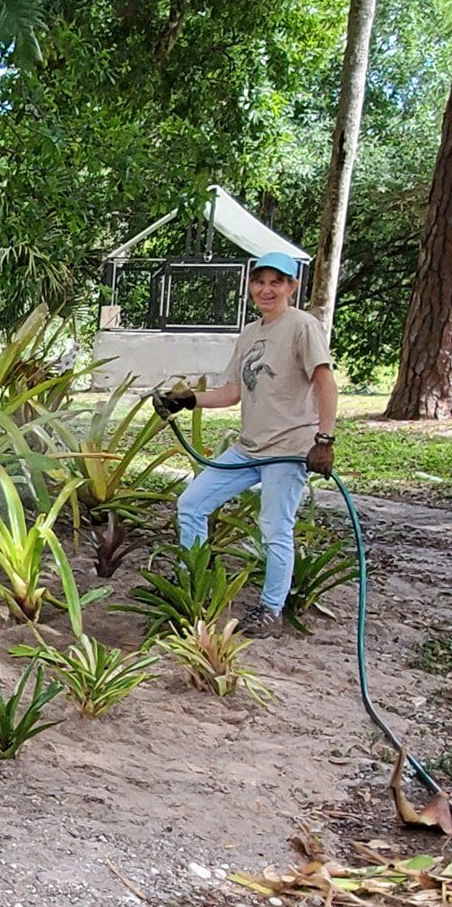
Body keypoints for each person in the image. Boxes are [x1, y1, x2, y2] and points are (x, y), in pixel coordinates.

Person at [153, 250, 338, 638]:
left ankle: (271, 611)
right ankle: (192, 589)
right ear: (250, 286)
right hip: (248, 448)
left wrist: (324, 440)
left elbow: (325, 382)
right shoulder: (251, 333)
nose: (266, 290)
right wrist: (187, 400)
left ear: (291, 286)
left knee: (274, 528)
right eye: (260, 282)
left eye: (276, 282)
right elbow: (233, 391)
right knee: (191, 504)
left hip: (287, 450)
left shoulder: (302, 326)